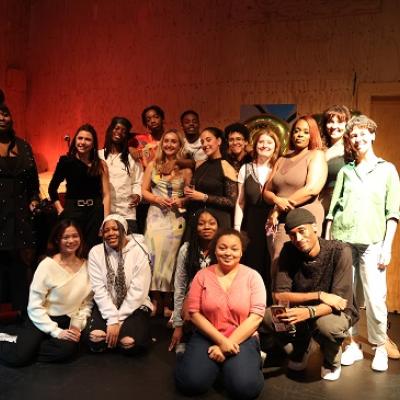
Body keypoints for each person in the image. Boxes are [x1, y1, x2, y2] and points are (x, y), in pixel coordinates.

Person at [326, 115, 400, 371]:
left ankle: (379, 346)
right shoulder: (346, 171)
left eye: (362, 134)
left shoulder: (387, 169)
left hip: (372, 241)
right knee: (347, 296)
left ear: (372, 135)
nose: (358, 140)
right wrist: (330, 242)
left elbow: (393, 212)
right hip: (344, 239)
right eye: (353, 136)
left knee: (375, 296)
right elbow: (332, 210)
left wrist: (387, 246)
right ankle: (352, 343)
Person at [262, 208, 358, 381]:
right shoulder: (288, 250)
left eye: (302, 231)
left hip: (335, 313)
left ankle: (331, 359)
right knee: (269, 316)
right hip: (303, 310)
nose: (298, 239)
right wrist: (319, 295)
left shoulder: (339, 251)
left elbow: (340, 302)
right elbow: (279, 295)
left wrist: (310, 312)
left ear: (314, 227)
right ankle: (301, 347)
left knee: (327, 326)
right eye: (292, 234)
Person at [175, 229, 266, 399]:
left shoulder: (253, 277)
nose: (228, 253)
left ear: (241, 251)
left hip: (242, 337)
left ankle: (249, 361)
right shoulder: (202, 276)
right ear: (215, 250)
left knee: (245, 389)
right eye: (222, 248)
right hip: (207, 335)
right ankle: (189, 356)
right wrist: (222, 341)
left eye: (234, 248)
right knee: (190, 383)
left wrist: (226, 345)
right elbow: (194, 313)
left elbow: (256, 316)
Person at [0, 220, 92, 366]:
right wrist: (56, 332)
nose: (71, 240)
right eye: (65, 237)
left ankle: (28, 346)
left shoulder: (87, 266)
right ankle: (12, 341)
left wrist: (77, 324)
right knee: (17, 358)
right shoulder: (47, 266)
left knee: (66, 350)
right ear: (57, 240)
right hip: (41, 317)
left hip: (66, 319)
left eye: (75, 236)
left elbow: (86, 302)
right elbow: (34, 306)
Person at [263, 115, 327, 281]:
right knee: (277, 263)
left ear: (312, 135)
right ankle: (280, 305)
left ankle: (303, 305)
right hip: (278, 219)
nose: (299, 134)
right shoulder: (282, 159)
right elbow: (266, 191)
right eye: (297, 131)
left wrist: (278, 208)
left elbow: (312, 188)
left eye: (306, 132)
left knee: (302, 264)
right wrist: (277, 201)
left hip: (304, 216)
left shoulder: (316, 155)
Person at [142, 129, 192, 316]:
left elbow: (189, 194)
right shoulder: (153, 165)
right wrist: (156, 199)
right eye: (167, 141)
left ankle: (169, 300)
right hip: (155, 216)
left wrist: (182, 200)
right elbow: (144, 191)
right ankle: (155, 298)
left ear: (180, 145)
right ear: (162, 144)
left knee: (171, 258)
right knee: (153, 256)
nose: (170, 145)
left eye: (174, 142)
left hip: (175, 217)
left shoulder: (185, 168)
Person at [87, 214, 152, 355]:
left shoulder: (139, 251)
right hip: (107, 304)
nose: (110, 233)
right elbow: (98, 289)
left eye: (115, 229)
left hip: (135, 306)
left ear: (124, 230)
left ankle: (119, 336)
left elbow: (138, 291)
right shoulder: (95, 252)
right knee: (95, 339)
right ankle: (114, 336)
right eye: (106, 230)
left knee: (129, 343)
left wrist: (118, 320)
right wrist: (111, 318)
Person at [0, 102, 40, 313]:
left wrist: (34, 199)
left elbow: (33, 183)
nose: (2, 118)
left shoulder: (24, 146)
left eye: (5, 114)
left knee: (20, 263)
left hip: (20, 214)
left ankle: (21, 312)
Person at [235, 125, 280, 302]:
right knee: (252, 266)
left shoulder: (279, 167)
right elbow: (240, 202)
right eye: (261, 141)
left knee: (271, 265)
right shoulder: (245, 169)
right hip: (252, 223)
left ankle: (270, 309)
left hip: (274, 222)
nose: (264, 145)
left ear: (275, 146)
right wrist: (237, 229)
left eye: (269, 142)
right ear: (255, 145)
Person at [49, 123, 110, 253]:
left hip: (95, 212)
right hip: (73, 210)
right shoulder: (66, 161)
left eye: (88, 139)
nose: (83, 142)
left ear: (93, 144)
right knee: (72, 249)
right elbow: (52, 188)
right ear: (75, 140)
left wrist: (106, 220)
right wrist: (60, 209)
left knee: (93, 250)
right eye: (80, 138)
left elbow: (106, 194)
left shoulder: (100, 164)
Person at [169, 209, 219, 352]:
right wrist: (178, 326)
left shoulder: (222, 249)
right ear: (195, 227)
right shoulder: (186, 250)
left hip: (216, 300)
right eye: (201, 224)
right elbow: (180, 285)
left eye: (211, 223)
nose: (207, 227)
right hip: (193, 301)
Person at [185, 127, 238, 229]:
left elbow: (231, 202)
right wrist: (186, 198)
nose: (205, 144)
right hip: (197, 219)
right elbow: (196, 193)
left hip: (217, 222)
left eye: (208, 140)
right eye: (202, 141)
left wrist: (204, 197)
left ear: (218, 141)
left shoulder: (226, 165)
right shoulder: (200, 165)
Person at [99, 116, 143, 234]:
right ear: (110, 130)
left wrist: (137, 195)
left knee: (130, 248)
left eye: (124, 131)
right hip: (104, 212)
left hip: (127, 212)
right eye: (117, 128)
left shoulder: (132, 158)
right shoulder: (98, 156)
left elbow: (138, 181)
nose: (119, 132)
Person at [319, 105, 352, 215]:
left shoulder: (352, 150)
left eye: (339, 122)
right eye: (330, 121)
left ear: (347, 124)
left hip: (342, 209)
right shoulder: (320, 150)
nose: (334, 126)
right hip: (320, 208)